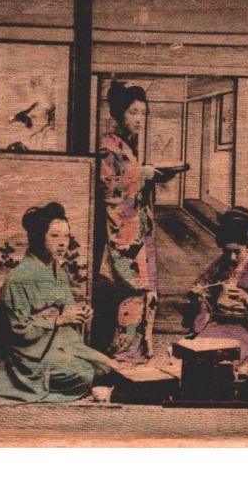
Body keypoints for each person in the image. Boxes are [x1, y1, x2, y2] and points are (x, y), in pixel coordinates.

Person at [0, 203, 116, 406]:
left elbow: (67, 308)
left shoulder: (57, 270)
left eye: (66, 236)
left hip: (60, 345)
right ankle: (22, 384)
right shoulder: (19, 278)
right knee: (84, 374)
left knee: (107, 367)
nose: (62, 243)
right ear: (37, 237)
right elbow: (18, 329)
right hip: (30, 355)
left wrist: (79, 313)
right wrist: (59, 320)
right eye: (54, 236)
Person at [99, 81, 158, 363]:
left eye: (143, 113)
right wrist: (141, 175)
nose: (139, 119)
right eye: (133, 112)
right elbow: (109, 189)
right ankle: (124, 349)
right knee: (132, 286)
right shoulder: (108, 146)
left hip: (137, 223)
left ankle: (139, 347)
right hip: (123, 227)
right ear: (119, 113)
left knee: (144, 285)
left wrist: (145, 176)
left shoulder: (127, 146)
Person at [185, 207, 248, 368]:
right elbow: (202, 282)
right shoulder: (219, 264)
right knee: (200, 355)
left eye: (237, 252)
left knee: (231, 359)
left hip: (247, 326)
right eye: (227, 251)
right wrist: (198, 291)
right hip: (218, 323)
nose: (231, 257)